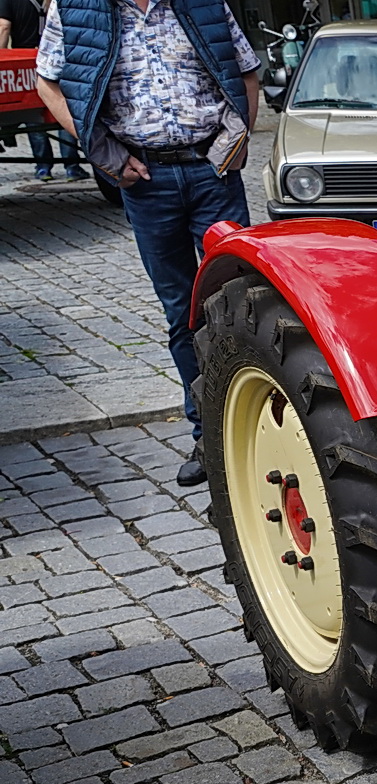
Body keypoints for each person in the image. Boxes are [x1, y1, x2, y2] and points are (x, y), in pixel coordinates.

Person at [36, 0, 260, 487]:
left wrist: (237, 139)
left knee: (243, 299)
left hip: (213, 172)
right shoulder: (75, 8)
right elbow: (48, 83)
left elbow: (246, 70)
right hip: (146, 181)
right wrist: (105, 153)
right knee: (182, 311)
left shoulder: (203, 2)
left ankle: (257, 424)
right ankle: (208, 437)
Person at [0, 0, 85, 180]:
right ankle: (72, 166)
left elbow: (4, 27)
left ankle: (43, 167)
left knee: (33, 115)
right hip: (57, 58)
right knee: (62, 108)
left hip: (24, 60)